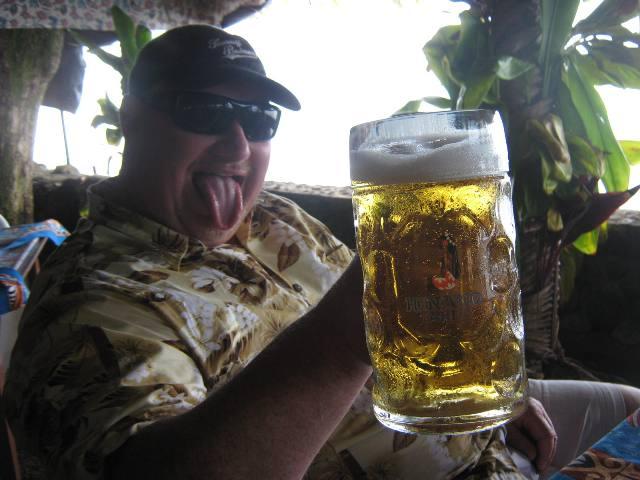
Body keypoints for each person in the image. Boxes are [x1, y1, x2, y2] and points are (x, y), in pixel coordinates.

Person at [4, 25, 639, 480]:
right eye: (204, 110)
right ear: (131, 118)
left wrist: (494, 391)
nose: (238, 142)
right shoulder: (90, 304)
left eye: (259, 120)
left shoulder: (274, 217)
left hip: (484, 432)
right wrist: (350, 331)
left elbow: (417, 335)